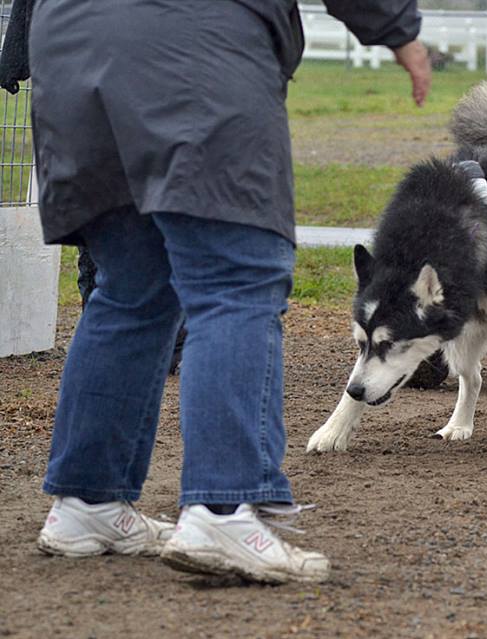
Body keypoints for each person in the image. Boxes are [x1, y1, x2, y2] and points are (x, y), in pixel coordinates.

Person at [12, 0, 430, 583]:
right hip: (193, 53)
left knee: (132, 288)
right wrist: (398, 30)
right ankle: (224, 509)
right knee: (236, 282)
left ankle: (88, 503)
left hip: (73, 56)